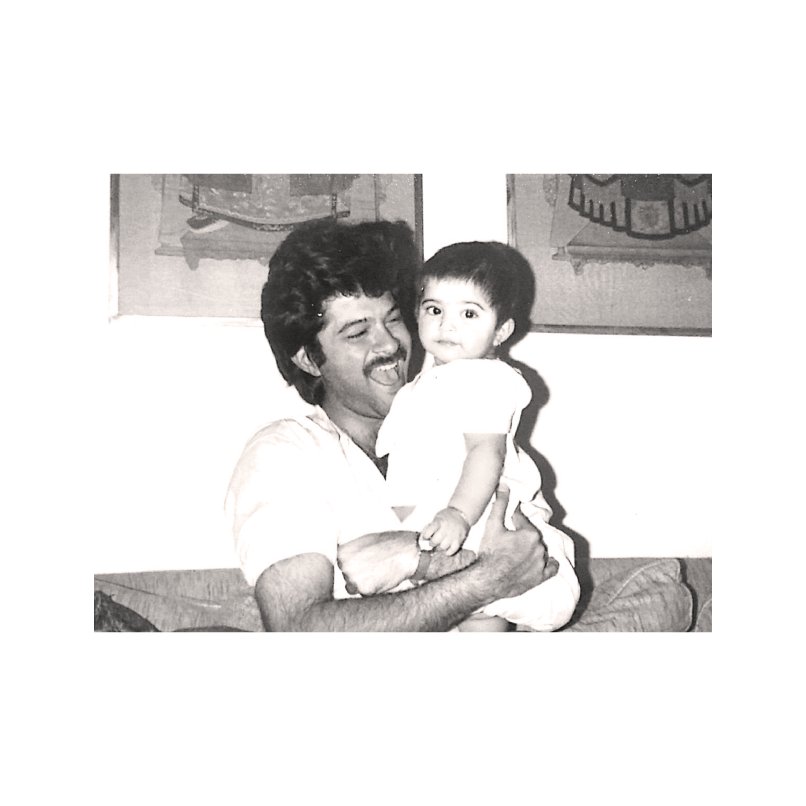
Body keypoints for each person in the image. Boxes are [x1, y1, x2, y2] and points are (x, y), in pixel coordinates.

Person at [225, 218, 561, 631]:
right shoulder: (286, 453)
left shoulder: (458, 423)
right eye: (357, 332)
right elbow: (300, 630)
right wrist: (479, 577)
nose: (388, 344)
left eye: (394, 319)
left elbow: (542, 570)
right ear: (309, 359)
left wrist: (407, 556)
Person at [375, 242, 580, 631]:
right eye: (434, 309)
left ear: (501, 330)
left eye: (468, 313)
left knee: (480, 608)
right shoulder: (425, 384)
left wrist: (459, 513)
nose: (447, 325)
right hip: (437, 522)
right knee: (453, 609)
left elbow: (486, 452)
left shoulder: (483, 379)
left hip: (476, 513)